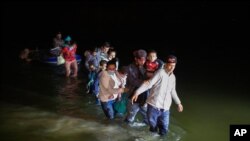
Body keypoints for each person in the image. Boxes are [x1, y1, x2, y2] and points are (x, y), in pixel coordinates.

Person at [131, 55, 183, 136]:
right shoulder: (160, 72)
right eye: (170, 65)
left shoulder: (173, 77)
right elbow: (149, 84)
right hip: (153, 106)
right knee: (153, 129)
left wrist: (178, 103)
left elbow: (173, 91)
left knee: (164, 130)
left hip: (165, 109)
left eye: (174, 66)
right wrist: (137, 92)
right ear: (165, 64)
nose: (172, 67)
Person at [124, 49, 149, 124]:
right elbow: (133, 81)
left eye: (144, 60)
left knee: (147, 115)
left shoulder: (147, 66)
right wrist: (144, 81)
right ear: (136, 59)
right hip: (132, 94)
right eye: (141, 60)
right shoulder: (129, 68)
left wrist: (142, 68)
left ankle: (148, 128)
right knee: (131, 115)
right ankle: (126, 128)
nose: (143, 62)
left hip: (145, 95)